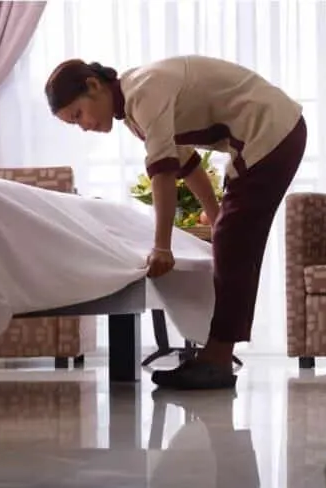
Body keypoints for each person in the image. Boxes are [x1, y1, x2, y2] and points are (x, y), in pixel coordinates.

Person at [44, 55, 307, 390]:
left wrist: (162, 246)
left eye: (78, 114)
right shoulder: (136, 111)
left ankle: (217, 359)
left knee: (237, 244)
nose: (82, 126)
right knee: (232, 239)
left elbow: (164, 174)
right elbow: (189, 166)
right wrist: (216, 219)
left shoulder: (143, 92)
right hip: (269, 134)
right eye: (73, 123)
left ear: (93, 86)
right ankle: (218, 356)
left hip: (271, 130)